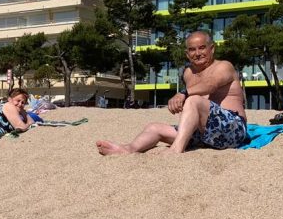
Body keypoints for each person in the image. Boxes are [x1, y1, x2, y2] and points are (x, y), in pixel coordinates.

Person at [96, 30, 248, 155]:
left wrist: (183, 94)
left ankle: (176, 149)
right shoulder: (189, 73)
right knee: (154, 127)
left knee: (193, 100)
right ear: (187, 54)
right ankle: (128, 149)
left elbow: (210, 85)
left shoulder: (224, 66)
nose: (197, 53)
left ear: (212, 49)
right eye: (192, 49)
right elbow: (192, 108)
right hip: (204, 134)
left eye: (202, 48)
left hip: (232, 130)